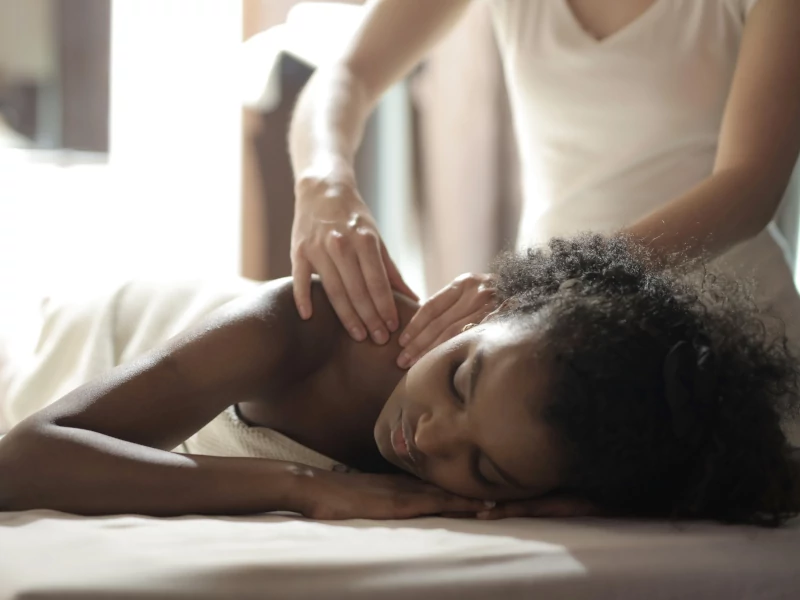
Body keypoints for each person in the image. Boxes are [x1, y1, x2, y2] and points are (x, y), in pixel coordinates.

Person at [0, 234, 798, 525]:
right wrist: (300, 488)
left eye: (484, 467)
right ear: (491, 307)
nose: (430, 436)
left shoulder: (558, 457)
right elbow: (25, 459)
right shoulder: (317, 326)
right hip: (77, 349)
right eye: (461, 376)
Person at [288, 0, 800, 370]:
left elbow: (750, 186)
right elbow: (348, 73)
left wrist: (541, 282)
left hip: (728, 343)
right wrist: (323, 183)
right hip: (552, 337)